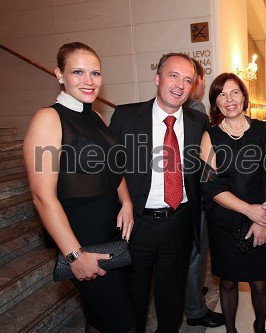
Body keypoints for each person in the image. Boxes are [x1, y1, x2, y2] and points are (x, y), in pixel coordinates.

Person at [23, 42, 136, 332]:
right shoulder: (48, 118)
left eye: (95, 73)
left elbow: (114, 166)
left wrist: (126, 202)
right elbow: (42, 197)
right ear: (59, 74)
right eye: (78, 72)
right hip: (81, 238)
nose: (89, 81)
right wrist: (75, 256)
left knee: (99, 319)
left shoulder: (96, 116)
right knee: (123, 323)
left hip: (110, 232)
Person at [109, 53, 209, 332]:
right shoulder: (126, 116)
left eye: (187, 80)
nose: (180, 85)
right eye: (173, 75)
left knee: (172, 296)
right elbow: (109, 168)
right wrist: (122, 203)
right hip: (136, 224)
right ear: (157, 78)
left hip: (179, 222)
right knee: (134, 295)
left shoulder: (197, 122)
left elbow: (209, 170)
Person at [200, 72, 266, 333]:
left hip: (262, 219)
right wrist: (249, 211)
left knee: (259, 282)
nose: (229, 99)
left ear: (244, 96)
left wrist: (263, 217)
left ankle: (260, 327)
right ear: (216, 103)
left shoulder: (263, 130)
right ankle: (231, 330)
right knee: (228, 282)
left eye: (234, 92)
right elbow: (210, 185)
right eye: (222, 94)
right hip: (224, 220)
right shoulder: (209, 137)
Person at [183, 58, 225, 328]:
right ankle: (195, 309)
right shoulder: (196, 109)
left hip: (188, 195)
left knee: (194, 255)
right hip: (197, 194)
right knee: (197, 254)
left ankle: (193, 295)